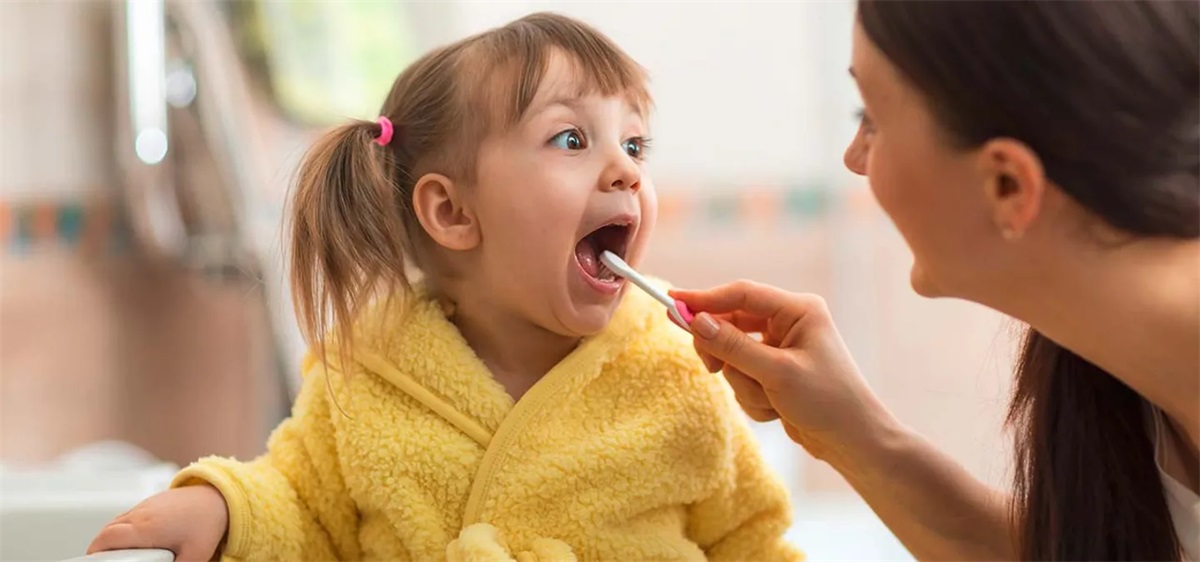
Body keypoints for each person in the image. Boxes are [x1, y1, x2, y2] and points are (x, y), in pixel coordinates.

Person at [86, 13, 802, 562]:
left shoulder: (677, 374)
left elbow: (752, 538)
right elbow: (305, 505)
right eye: (572, 140)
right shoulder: (370, 376)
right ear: (454, 213)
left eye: (635, 144)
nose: (626, 171)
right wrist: (223, 511)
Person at [673, 1, 1199, 560]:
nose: (855, 159)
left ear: (1006, 184)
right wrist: (852, 432)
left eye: (870, 119)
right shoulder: (1118, 380)